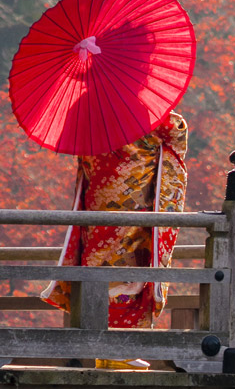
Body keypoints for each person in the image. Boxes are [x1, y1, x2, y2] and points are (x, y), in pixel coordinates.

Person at [41, 111, 188, 369]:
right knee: (129, 267)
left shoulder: (88, 109)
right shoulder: (142, 109)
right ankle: (121, 348)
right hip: (132, 197)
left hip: (98, 195)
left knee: (98, 259)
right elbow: (175, 132)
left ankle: (103, 346)